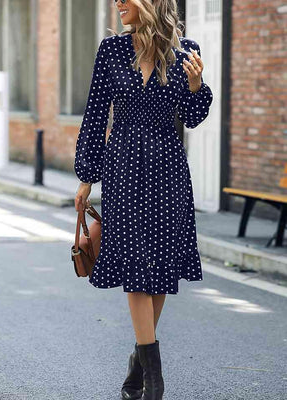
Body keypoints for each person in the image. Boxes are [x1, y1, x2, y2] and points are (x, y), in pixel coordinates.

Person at [74, 0, 213, 399]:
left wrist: (196, 87)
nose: (118, 1)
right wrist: (86, 176)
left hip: (168, 169)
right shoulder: (111, 50)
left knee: (162, 264)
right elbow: (96, 115)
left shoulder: (186, 51)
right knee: (136, 264)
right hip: (124, 170)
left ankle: (139, 363)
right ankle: (155, 381)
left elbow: (193, 115)